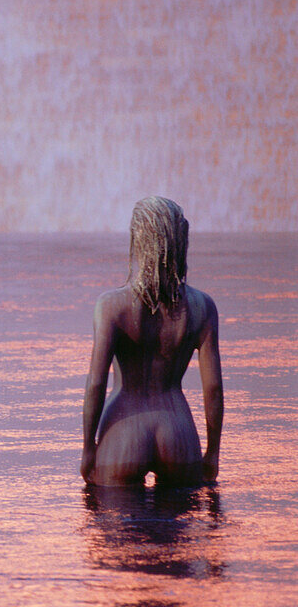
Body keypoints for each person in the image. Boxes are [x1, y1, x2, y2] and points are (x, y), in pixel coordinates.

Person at [80, 196, 223, 488]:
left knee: (114, 528)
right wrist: (212, 453)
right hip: (178, 431)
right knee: (178, 529)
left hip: (123, 431)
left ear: (137, 240)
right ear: (180, 240)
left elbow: (96, 383)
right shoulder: (202, 307)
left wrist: (87, 447)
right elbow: (214, 388)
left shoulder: (111, 306)